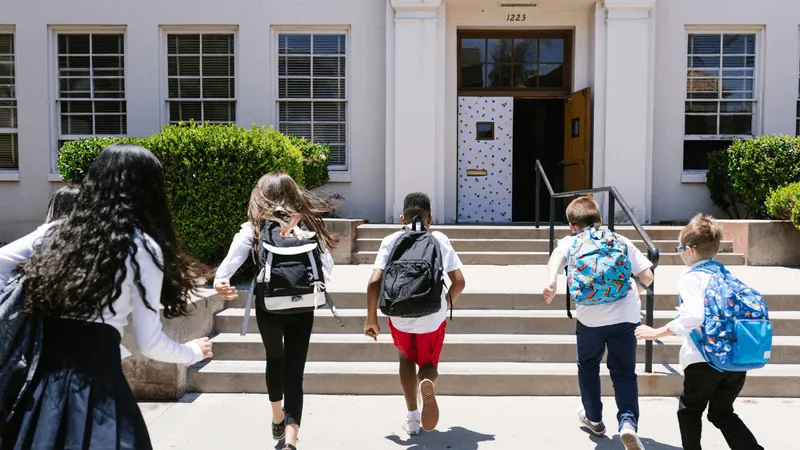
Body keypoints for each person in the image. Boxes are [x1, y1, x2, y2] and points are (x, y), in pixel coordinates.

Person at [0, 144, 213, 450]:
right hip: (100, 390)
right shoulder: (140, 247)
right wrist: (191, 351)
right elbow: (149, 342)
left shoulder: (55, 233)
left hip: (40, 389)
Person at [214, 172, 338, 450]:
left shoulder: (254, 227)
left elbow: (229, 264)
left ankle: (276, 415)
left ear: (261, 195)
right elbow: (327, 270)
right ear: (295, 194)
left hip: (269, 306)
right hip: (304, 305)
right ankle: (291, 441)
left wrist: (222, 282)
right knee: (295, 371)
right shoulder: (307, 226)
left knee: (274, 358)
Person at [635, 215, 765, 450]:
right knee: (722, 412)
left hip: (703, 359)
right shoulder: (725, 274)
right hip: (735, 359)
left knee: (689, 411)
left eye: (680, 248)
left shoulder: (691, 277)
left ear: (691, 250)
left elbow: (694, 316)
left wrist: (657, 333)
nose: (680, 253)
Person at [542, 196, 653, 450]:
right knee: (624, 372)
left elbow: (555, 261)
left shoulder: (571, 242)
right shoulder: (620, 240)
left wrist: (551, 282)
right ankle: (627, 423)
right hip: (626, 318)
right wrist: (631, 292)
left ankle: (594, 417)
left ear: (572, 225)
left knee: (589, 365)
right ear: (600, 220)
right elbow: (648, 275)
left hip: (590, 318)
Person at [364, 192, 466, 436]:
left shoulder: (391, 239)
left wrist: (371, 320)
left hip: (399, 314)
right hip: (432, 316)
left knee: (405, 360)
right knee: (429, 364)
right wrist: (445, 303)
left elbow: (373, 282)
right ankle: (426, 382)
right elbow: (460, 282)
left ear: (402, 218)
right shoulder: (439, 239)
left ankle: (412, 418)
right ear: (430, 217)